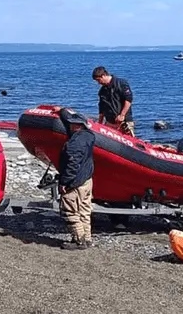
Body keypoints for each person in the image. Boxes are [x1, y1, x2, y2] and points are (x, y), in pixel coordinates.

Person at [55, 107, 97, 250]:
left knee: (70, 211)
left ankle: (79, 240)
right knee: (85, 210)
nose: (70, 126)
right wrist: (62, 112)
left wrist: (64, 183)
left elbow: (71, 165)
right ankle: (88, 238)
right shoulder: (90, 136)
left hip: (75, 182)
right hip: (87, 179)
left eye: (73, 124)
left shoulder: (74, 144)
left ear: (77, 126)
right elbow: (70, 121)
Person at [92, 66, 135, 137]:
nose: (98, 83)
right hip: (109, 122)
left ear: (103, 76)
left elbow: (129, 99)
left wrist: (122, 115)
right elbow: (101, 108)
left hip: (123, 122)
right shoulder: (102, 91)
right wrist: (99, 123)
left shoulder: (121, 83)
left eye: (99, 80)